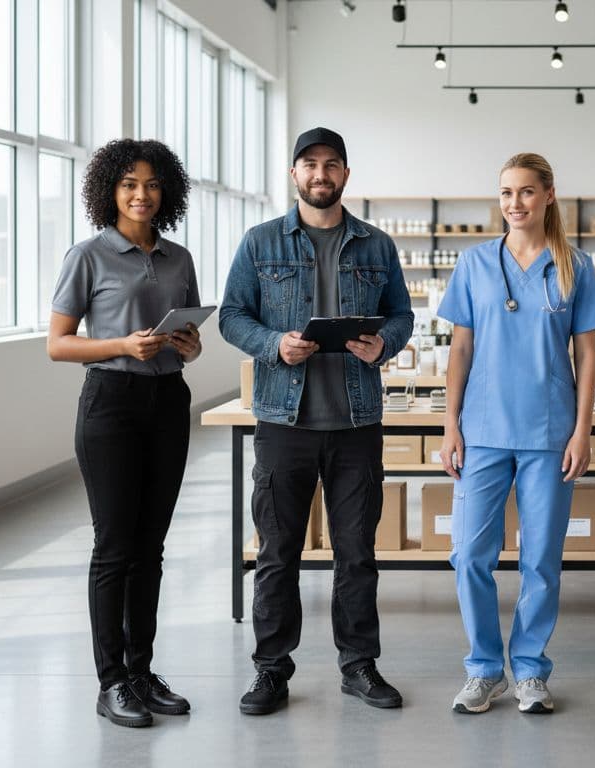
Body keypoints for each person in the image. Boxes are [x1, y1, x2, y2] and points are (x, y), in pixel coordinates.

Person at [218, 127, 414, 715]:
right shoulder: (259, 243)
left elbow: (401, 315)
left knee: (356, 552)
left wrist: (384, 347)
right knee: (278, 551)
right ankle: (271, 670)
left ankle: (359, 665)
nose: (320, 174)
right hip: (284, 422)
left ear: (346, 175)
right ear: (294, 174)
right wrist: (274, 343)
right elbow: (231, 316)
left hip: (356, 424)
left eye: (331, 165)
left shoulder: (377, 246)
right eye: (309, 164)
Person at [436, 153, 595, 715]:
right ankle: (485, 669)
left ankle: (531, 670)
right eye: (507, 192)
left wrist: (582, 430)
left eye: (527, 192)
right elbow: (459, 349)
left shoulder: (574, 267)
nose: (515, 203)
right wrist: (450, 425)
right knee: (469, 555)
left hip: (549, 431)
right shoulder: (474, 264)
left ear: (549, 195)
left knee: (540, 559)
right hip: (483, 430)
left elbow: (588, 357)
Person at [47, 139, 200, 728]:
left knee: (151, 548)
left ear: (167, 193)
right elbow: (58, 344)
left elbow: (185, 334)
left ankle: (141, 671)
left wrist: (189, 344)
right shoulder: (88, 255)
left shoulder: (179, 258)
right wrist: (121, 345)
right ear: (109, 190)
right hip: (110, 404)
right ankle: (111, 682)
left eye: (153, 184)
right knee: (114, 548)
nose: (142, 194)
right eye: (130, 184)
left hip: (167, 401)